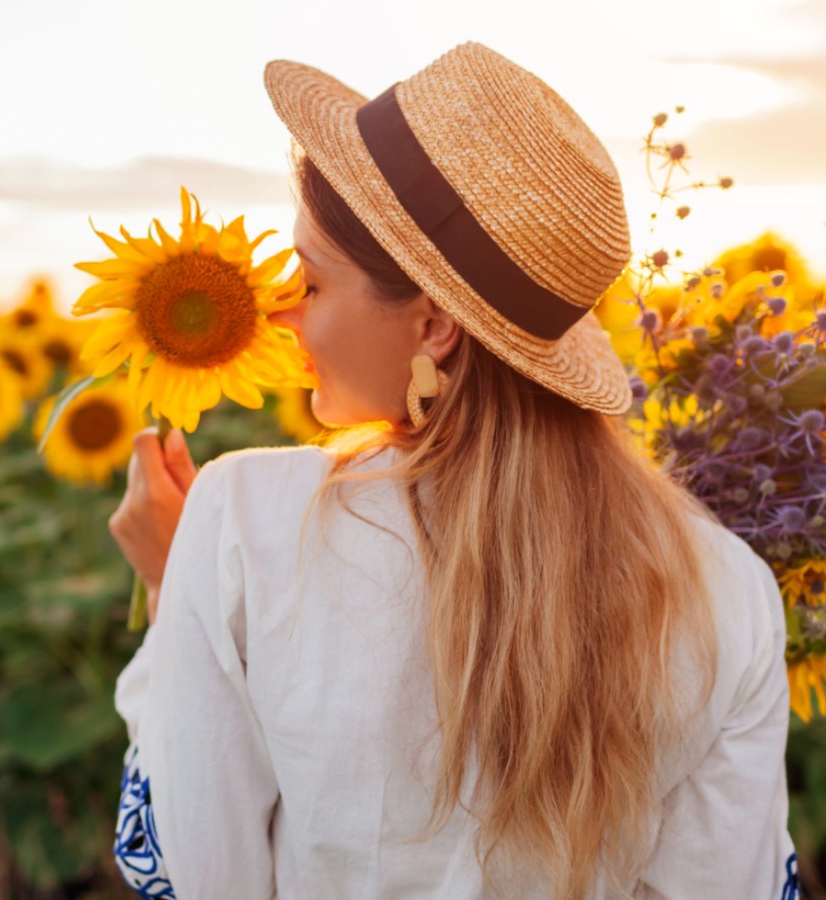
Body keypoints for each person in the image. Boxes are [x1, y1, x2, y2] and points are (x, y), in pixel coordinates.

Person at [107, 42, 800, 899]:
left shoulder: (245, 521)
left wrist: (175, 594)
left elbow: (192, 874)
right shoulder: (726, 588)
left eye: (312, 283)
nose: (281, 311)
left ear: (434, 327)